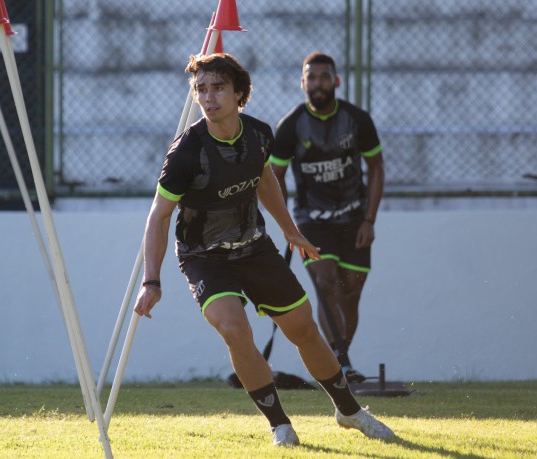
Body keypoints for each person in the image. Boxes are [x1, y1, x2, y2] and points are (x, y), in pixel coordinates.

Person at [133, 52, 394, 447]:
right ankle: (280, 425)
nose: (208, 97)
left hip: (254, 248)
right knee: (235, 330)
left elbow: (265, 180)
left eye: (218, 87)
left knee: (303, 327)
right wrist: (151, 281)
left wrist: (291, 231)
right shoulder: (186, 153)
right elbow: (159, 215)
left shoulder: (258, 134)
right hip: (204, 257)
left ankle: (349, 411)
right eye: (201, 89)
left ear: (240, 94)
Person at [270, 51, 385, 383]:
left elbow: (376, 167)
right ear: (302, 83)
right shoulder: (290, 126)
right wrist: (288, 226)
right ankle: (340, 362)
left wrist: (369, 220)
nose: (318, 83)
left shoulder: (357, 120)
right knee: (325, 282)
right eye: (312, 77)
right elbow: (274, 177)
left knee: (351, 291)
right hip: (311, 220)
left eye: (324, 77)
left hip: (355, 219)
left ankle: (342, 359)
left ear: (336, 81)